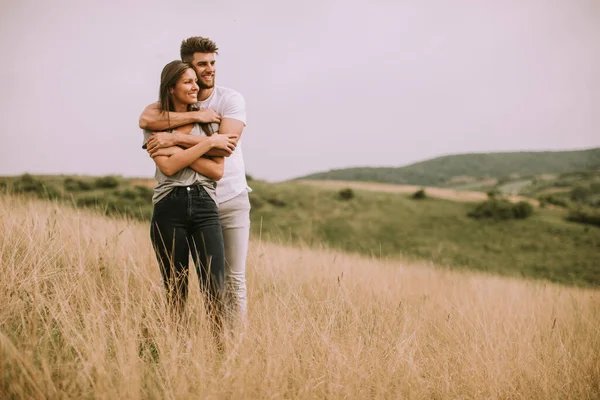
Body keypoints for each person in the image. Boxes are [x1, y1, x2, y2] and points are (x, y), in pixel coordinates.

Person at [140, 37, 250, 329]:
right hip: (173, 204)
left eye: (212, 63)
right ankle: (178, 349)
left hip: (223, 199)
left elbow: (221, 153)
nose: (209, 70)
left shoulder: (225, 104)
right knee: (176, 286)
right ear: (182, 71)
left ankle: (232, 349)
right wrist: (203, 143)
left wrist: (176, 142)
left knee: (227, 281)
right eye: (201, 64)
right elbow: (152, 133)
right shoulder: (160, 116)